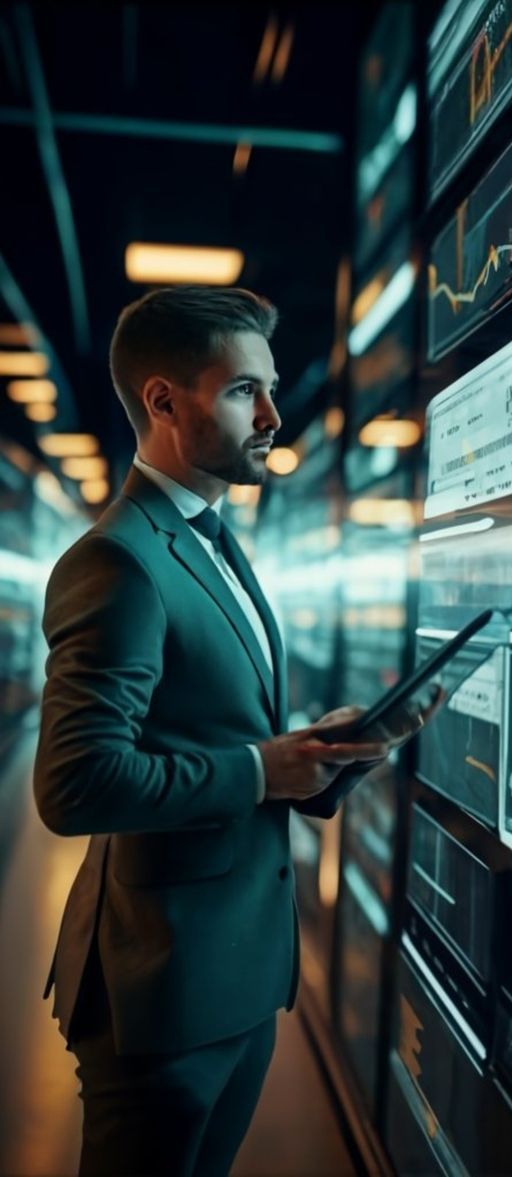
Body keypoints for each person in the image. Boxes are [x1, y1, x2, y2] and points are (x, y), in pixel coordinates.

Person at [33, 285, 399, 1177]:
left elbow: (220, 729)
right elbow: (75, 784)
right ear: (163, 402)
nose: (274, 415)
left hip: (236, 971)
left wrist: (323, 753)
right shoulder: (116, 562)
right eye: (245, 392)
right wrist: (259, 769)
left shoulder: (213, 541)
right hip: (161, 992)